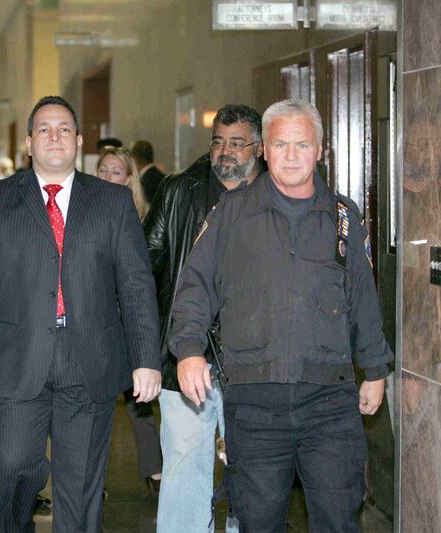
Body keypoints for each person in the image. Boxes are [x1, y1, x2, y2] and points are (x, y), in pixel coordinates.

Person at [171, 99, 393, 532]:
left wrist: (376, 367)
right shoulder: (232, 214)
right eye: (281, 145)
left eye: (302, 145)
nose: (292, 156)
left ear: (320, 150)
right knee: (258, 519)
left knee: (337, 519)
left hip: (329, 401)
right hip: (255, 402)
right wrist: (188, 350)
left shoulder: (343, 218)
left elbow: (363, 297)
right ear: (265, 151)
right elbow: (194, 287)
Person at [0, 95, 161, 533]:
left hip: (89, 359)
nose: (55, 136)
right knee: (13, 467)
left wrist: (146, 358)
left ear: (79, 141)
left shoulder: (111, 202)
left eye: (65, 129)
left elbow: (137, 285)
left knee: (82, 484)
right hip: (16, 358)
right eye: (45, 129)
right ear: (29, 142)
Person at [145, 104, 264, 531]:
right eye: (218, 142)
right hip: (186, 356)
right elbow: (146, 268)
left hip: (254, 362)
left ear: (260, 146)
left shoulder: (279, 192)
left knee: (251, 470)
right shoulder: (180, 192)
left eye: (237, 143)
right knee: (183, 465)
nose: (225, 152)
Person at [95, 146, 162, 492]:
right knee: (97, 409)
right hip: (98, 328)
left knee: (140, 405)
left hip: (130, 328)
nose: (107, 177)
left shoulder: (145, 221)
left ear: (130, 179)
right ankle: (93, 481)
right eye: (102, 171)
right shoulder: (85, 216)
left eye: (115, 172)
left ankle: (154, 469)